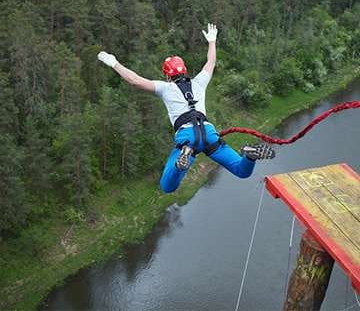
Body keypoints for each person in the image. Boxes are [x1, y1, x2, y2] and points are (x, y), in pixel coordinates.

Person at [97, 23, 275, 193]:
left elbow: (135, 81)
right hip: (209, 133)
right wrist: (212, 41)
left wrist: (114, 63)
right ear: (185, 70)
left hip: (187, 137)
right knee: (242, 171)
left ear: (167, 75)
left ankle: (181, 160)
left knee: (168, 186)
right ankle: (250, 156)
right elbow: (210, 62)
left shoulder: (165, 88)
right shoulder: (198, 82)